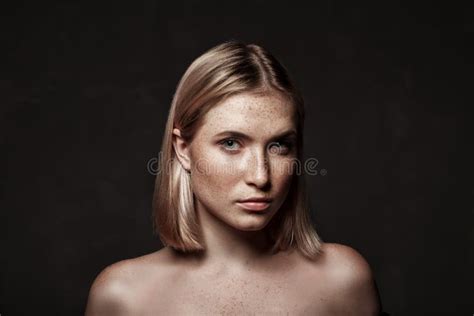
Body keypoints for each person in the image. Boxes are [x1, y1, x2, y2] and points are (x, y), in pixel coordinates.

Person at [85, 41, 382, 315]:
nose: (260, 176)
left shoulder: (344, 280)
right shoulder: (122, 296)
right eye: (231, 143)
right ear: (183, 149)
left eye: (279, 145)